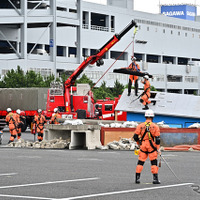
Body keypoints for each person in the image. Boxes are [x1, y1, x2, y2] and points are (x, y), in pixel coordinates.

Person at [133, 109, 161, 184]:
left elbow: (135, 136)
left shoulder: (140, 126)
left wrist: (139, 143)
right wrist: (158, 149)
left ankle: (137, 179)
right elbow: (157, 139)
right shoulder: (155, 126)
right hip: (152, 146)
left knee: (140, 162)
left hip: (143, 145)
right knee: (154, 163)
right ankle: (155, 179)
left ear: (145, 116)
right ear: (152, 117)